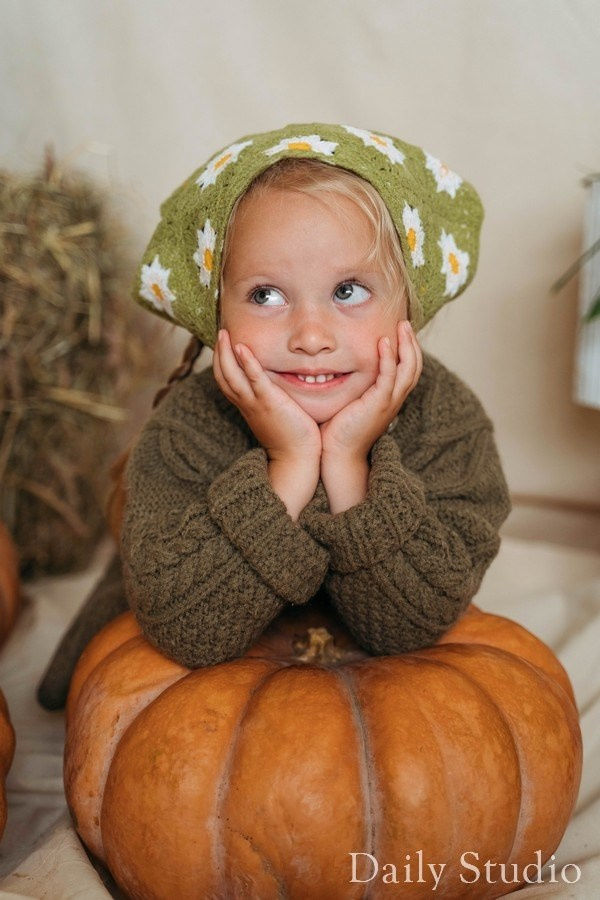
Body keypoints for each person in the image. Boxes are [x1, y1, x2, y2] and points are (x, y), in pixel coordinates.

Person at [38, 123, 511, 707]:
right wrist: (288, 463)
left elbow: (410, 627)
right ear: (216, 315)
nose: (311, 336)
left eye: (348, 291)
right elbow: (190, 632)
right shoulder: (191, 424)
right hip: (223, 702)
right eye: (266, 295)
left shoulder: (446, 421)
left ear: (409, 305)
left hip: (368, 693)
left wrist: (347, 461)